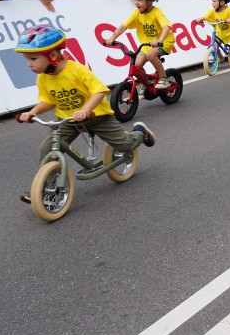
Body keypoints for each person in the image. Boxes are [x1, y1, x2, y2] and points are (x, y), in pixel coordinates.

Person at [16, 24, 156, 203]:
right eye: (27, 59)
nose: (29, 64)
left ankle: (140, 134)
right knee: (47, 148)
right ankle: (47, 188)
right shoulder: (43, 77)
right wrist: (32, 112)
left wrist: (85, 110)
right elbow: (48, 100)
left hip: (97, 116)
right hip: (67, 120)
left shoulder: (76, 70)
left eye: (33, 58)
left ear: (52, 55)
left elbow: (99, 90)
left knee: (124, 145)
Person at [105, 0, 175, 89]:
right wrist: (112, 38)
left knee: (151, 55)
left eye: (140, 0)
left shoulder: (156, 12)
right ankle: (146, 84)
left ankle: (163, 79)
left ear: (150, 0)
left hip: (164, 42)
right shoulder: (137, 14)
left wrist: (159, 41)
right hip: (146, 45)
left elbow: (166, 26)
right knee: (137, 66)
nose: (136, 3)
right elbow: (123, 26)